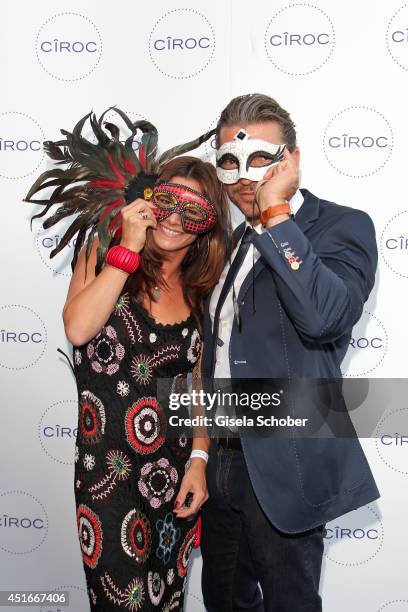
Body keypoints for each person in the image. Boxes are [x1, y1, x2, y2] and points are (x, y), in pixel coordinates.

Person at [24, 109, 228, 611]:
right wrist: (128, 249)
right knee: (120, 603)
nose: (177, 218)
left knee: (167, 601)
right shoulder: (100, 253)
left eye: (195, 211)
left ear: (207, 227)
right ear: (148, 200)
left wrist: (198, 462)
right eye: (169, 201)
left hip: (174, 473)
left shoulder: (204, 292)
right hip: (106, 474)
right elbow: (77, 327)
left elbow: (197, 388)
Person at [200, 93, 380, 611]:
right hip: (224, 465)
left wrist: (278, 214)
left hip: (288, 463)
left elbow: (324, 316)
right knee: (223, 602)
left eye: (260, 158)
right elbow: (218, 354)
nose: (244, 176)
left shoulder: (341, 227)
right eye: (229, 162)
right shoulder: (233, 243)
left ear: (292, 161)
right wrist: (201, 453)